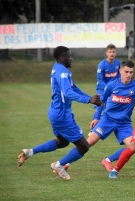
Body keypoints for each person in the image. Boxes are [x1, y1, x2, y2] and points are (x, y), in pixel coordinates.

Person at [16, 46, 103, 181]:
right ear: (62, 58)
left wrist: (91, 99)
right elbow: (68, 92)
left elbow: (73, 88)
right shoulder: (62, 72)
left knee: (63, 142)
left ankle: (29, 152)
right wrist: (88, 100)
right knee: (84, 146)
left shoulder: (58, 68)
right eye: (69, 56)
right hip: (62, 116)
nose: (71, 58)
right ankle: (59, 165)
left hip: (56, 112)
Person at [87, 60, 135, 171]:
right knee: (88, 143)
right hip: (107, 119)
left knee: (133, 146)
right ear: (120, 71)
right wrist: (96, 117)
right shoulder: (111, 85)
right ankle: (64, 163)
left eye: (131, 72)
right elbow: (101, 101)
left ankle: (108, 160)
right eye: (126, 72)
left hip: (124, 123)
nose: (128, 75)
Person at [92, 43, 121, 119]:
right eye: (110, 52)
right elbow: (100, 80)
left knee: (111, 107)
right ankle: (94, 122)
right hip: (102, 89)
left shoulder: (118, 63)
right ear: (106, 53)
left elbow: (118, 77)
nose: (112, 54)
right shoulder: (102, 64)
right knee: (101, 105)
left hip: (113, 89)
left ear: (116, 53)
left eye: (113, 52)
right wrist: (108, 87)